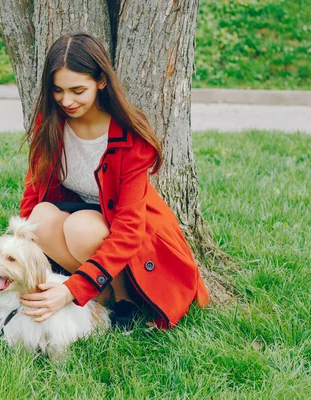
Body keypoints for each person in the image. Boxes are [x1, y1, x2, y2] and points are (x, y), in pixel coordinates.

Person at [17, 32, 209, 329]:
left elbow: (129, 229)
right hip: (79, 217)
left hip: (127, 236)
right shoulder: (51, 122)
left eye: (78, 90)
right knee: (38, 218)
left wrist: (69, 290)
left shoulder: (129, 137)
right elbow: (35, 188)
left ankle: (125, 300)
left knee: (81, 229)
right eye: (58, 90)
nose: (66, 100)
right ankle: (99, 293)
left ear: (101, 82)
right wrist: (14, 252)